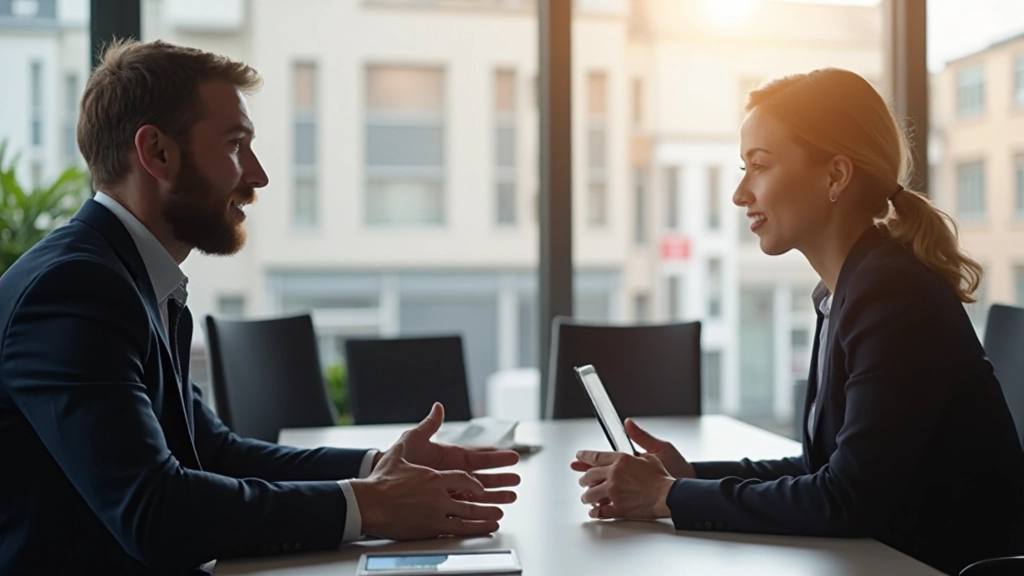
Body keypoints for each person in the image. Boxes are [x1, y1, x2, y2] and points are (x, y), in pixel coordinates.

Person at [0, 40, 520, 575]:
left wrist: (379, 468)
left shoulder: (122, 276)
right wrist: (372, 504)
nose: (257, 175)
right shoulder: (73, 290)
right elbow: (155, 513)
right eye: (234, 146)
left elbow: (215, 452)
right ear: (156, 152)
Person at [570, 68, 1024, 575]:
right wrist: (687, 476)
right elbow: (824, 468)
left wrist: (668, 498)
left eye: (759, 166)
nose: (741, 193)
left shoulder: (893, 294)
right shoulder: (845, 289)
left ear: (835, 175)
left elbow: (845, 498)